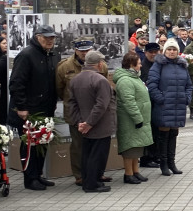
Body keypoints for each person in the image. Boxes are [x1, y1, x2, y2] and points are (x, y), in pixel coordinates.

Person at [8, 24, 59, 191]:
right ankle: (30, 179)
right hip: (29, 109)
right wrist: (22, 107)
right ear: (38, 37)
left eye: (52, 37)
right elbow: (16, 83)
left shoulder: (52, 55)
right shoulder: (27, 55)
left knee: (42, 141)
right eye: (47, 37)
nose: (50, 40)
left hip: (45, 107)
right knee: (30, 144)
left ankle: (38, 175)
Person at [67, 51, 117, 194]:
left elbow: (71, 103)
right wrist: (89, 123)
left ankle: (88, 181)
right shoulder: (100, 80)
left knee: (87, 155)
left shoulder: (75, 79)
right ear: (100, 64)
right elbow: (101, 105)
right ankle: (92, 184)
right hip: (99, 125)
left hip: (84, 125)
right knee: (97, 155)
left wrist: (80, 122)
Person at [56, 37, 98, 187]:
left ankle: (96, 173)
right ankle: (79, 175)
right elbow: (60, 89)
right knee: (78, 145)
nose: (85, 53)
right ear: (76, 50)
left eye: (88, 50)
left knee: (96, 144)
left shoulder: (100, 65)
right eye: (82, 50)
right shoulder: (65, 66)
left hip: (94, 111)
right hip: (75, 112)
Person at [147, 38, 192, 176]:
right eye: (169, 49)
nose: (172, 52)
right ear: (164, 51)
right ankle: (164, 163)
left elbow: (188, 85)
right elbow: (152, 85)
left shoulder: (182, 65)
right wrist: (161, 99)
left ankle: (172, 163)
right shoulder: (158, 65)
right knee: (164, 135)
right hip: (164, 106)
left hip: (178, 105)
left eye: (174, 50)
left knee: (174, 134)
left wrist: (187, 98)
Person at [113, 52, 153, 184]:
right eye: (139, 63)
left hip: (139, 118)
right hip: (130, 120)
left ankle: (136, 171)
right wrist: (137, 118)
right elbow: (129, 102)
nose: (141, 65)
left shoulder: (134, 77)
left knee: (137, 146)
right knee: (129, 147)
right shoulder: (125, 80)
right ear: (131, 64)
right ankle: (128, 174)